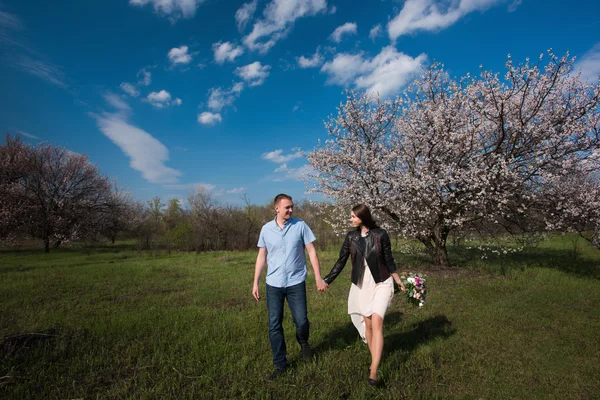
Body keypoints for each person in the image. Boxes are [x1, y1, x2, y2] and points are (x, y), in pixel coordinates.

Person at [323, 204, 406, 387]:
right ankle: (374, 356)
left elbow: (389, 260)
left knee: (377, 323)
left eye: (353, 216)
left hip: (382, 282)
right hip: (362, 285)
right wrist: (327, 280)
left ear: (363, 216)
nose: (350, 219)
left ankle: (374, 370)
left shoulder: (381, 234)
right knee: (367, 325)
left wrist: (398, 281)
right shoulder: (351, 237)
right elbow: (341, 261)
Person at [252, 194, 328, 380]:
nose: (291, 210)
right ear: (276, 208)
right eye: (287, 207)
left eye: (292, 206)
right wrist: (255, 282)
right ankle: (280, 364)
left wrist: (318, 277)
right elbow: (262, 256)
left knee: (301, 320)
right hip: (274, 284)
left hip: (296, 282)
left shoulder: (300, 225)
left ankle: (303, 342)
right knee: (274, 324)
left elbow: (311, 251)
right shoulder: (266, 229)